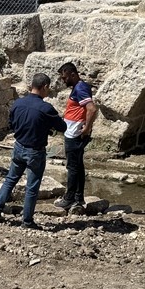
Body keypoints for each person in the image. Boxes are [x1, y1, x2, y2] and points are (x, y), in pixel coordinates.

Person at [0, 73, 65, 229]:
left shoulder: (18, 103)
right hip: (35, 151)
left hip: (18, 147)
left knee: (10, 179)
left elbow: (12, 124)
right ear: (45, 86)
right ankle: (27, 221)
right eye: (48, 88)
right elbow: (62, 127)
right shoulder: (46, 108)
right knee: (32, 186)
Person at [55, 61, 97, 215]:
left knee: (72, 167)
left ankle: (70, 198)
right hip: (73, 132)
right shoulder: (79, 87)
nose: (63, 80)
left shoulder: (80, 88)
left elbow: (92, 109)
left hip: (74, 135)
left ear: (73, 74)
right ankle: (79, 198)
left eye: (65, 77)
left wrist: (86, 128)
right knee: (78, 165)